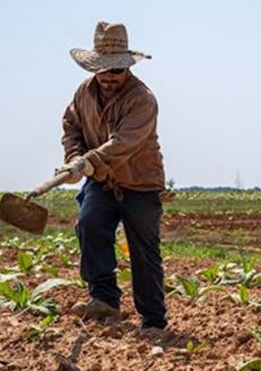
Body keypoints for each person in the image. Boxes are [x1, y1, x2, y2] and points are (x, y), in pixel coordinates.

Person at [57, 21, 168, 340]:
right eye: (103, 70)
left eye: (116, 70)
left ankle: (153, 321)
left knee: (143, 249)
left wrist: (86, 161)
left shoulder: (142, 99)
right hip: (101, 180)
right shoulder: (84, 93)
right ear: (94, 68)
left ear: (127, 68)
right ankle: (104, 299)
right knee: (89, 224)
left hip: (140, 183)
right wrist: (73, 157)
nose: (109, 76)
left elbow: (123, 143)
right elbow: (71, 125)